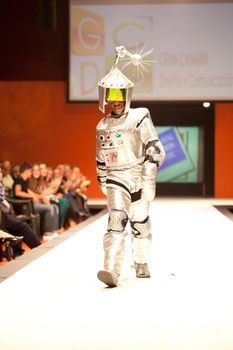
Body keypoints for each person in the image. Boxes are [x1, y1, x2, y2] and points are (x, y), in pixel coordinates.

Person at [96, 46, 166, 287]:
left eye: (119, 98)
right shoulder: (102, 126)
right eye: (111, 99)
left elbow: (155, 146)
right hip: (117, 178)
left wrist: (150, 167)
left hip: (138, 175)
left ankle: (140, 260)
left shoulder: (140, 116)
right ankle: (111, 270)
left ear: (126, 97)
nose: (115, 103)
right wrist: (103, 179)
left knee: (140, 224)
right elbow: (101, 157)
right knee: (116, 219)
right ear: (106, 98)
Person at [0, 166, 41, 250]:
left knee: (18, 226)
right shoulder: (19, 180)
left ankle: (18, 251)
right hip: (12, 210)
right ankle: (38, 249)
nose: (0, 174)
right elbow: (17, 193)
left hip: (5, 212)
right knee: (22, 226)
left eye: (0, 172)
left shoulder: (1, 184)